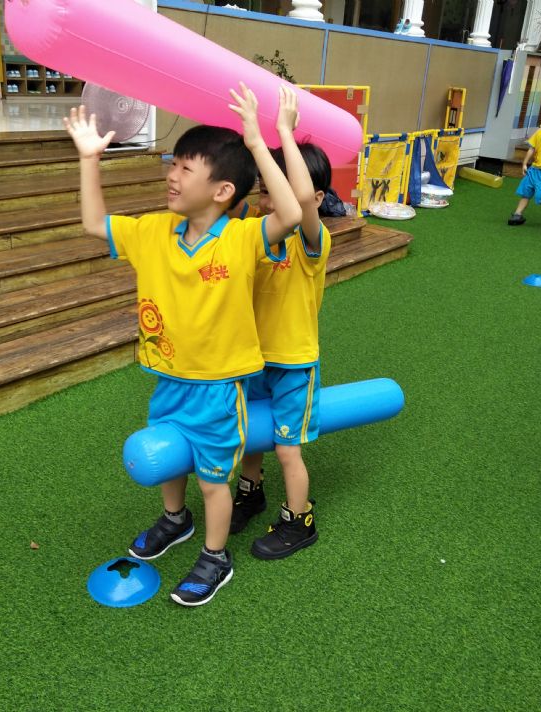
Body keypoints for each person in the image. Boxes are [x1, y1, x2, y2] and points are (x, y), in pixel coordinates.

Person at [63, 83, 303, 606]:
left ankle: (216, 556)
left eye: (186, 168)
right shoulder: (153, 231)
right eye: (172, 164)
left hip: (218, 388)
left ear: (222, 191)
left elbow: (291, 215)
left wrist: (257, 141)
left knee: (214, 480)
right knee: (171, 463)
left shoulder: (241, 238)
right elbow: (93, 223)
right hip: (168, 377)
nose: (172, 175)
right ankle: (176, 520)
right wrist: (88, 159)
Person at [229, 100, 332, 561]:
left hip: (293, 363)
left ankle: (299, 520)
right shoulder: (255, 229)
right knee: (250, 438)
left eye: (283, 190)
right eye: (267, 189)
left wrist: (284, 134)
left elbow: (301, 200)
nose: (272, 200)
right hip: (252, 357)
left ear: (317, 198)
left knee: (287, 449)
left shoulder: (312, 240)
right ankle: (250, 492)